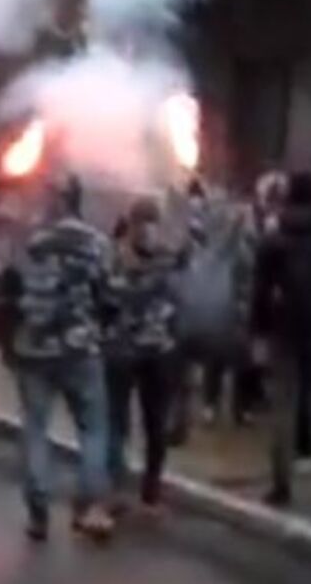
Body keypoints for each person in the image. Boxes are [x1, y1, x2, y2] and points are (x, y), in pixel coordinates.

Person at [0, 173, 114, 542]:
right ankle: (90, 505)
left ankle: (38, 509)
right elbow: (108, 294)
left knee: (35, 428)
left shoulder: (28, 240)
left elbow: (8, 289)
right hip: (80, 347)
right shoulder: (96, 242)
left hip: (33, 348)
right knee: (93, 428)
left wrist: (9, 340)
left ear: (55, 200)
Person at [252, 171, 311, 507]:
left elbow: (260, 293)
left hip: (283, 331)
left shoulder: (274, 237)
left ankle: (280, 486)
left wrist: (259, 334)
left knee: (283, 412)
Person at [102, 197, 181, 514]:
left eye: (151, 223)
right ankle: (132, 487)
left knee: (146, 422)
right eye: (143, 223)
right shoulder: (162, 258)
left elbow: (108, 295)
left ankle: (139, 487)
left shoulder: (117, 254)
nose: (147, 230)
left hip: (140, 349)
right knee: (131, 422)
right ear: (133, 224)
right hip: (140, 349)